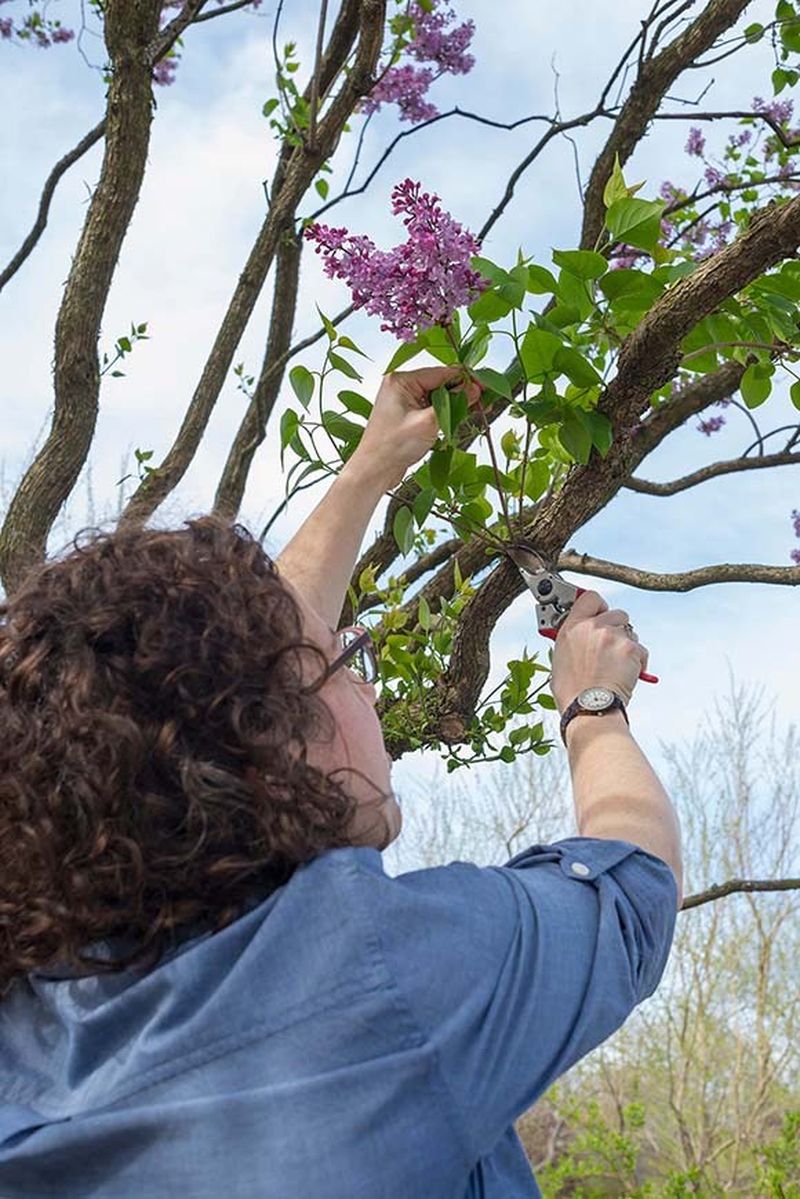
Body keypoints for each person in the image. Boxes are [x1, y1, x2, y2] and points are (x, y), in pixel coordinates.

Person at [0, 366, 682, 1198]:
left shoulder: (37, 994)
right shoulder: (378, 977)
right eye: (345, 663)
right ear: (274, 744)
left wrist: (368, 473)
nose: (370, 685)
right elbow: (632, 891)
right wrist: (596, 708)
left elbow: (234, 667)